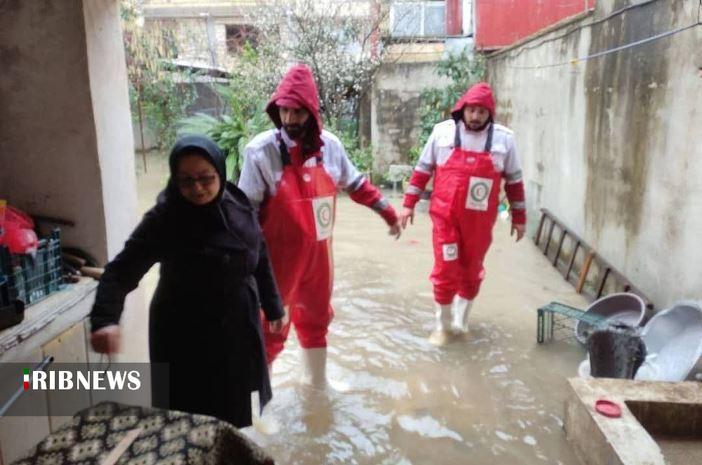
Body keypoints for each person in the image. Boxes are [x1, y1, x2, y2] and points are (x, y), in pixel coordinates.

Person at [89, 135, 285, 428]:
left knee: (231, 412)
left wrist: (273, 305)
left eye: (206, 178)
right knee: (187, 420)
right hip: (183, 335)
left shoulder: (237, 203)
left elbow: (260, 253)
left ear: (219, 171)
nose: (197, 188)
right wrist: (105, 319)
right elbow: (120, 271)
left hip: (234, 329)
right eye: (186, 180)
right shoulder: (165, 220)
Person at [238, 64, 401, 387]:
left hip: (318, 262)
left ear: (311, 111)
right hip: (276, 265)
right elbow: (245, 214)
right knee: (270, 328)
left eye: (298, 112)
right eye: (284, 110)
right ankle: (262, 404)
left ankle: (318, 387)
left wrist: (388, 212)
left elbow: (356, 185)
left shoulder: (331, 147)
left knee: (316, 321)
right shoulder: (260, 151)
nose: (289, 120)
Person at [399, 82, 526, 345]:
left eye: (481, 111)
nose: (476, 116)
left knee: (472, 270)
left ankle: (462, 321)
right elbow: (422, 170)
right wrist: (408, 204)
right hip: (446, 217)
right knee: (446, 268)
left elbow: (514, 181)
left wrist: (519, 218)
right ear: (463, 109)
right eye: (471, 110)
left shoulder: (505, 139)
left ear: (489, 113)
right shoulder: (442, 133)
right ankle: (442, 326)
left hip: (480, 223)